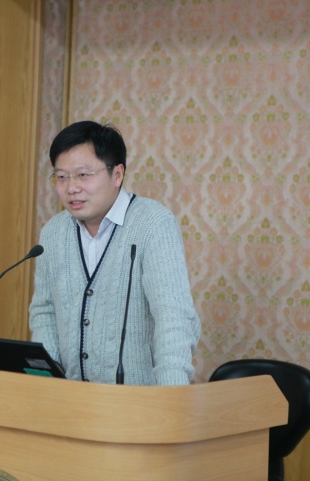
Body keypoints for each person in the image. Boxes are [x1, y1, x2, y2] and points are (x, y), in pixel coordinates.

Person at [29, 120, 201, 385]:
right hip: (68, 399)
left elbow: (173, 317)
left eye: (83, 175)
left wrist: (172, 396)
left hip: (139, 400)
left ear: (117, 174)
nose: (71, 188)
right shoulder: (53, 233)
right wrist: (46, 381)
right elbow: (45, 310)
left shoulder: (153, 224)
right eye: (61, 177)